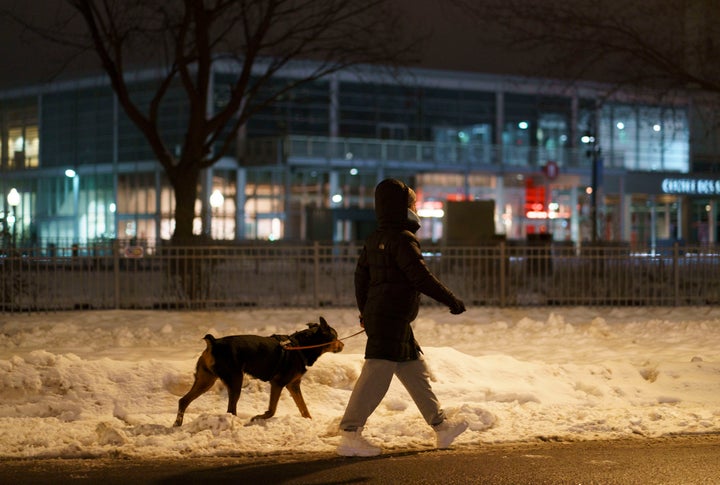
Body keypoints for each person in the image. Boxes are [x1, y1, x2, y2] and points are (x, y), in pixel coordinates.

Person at [337, 178, 468, 457]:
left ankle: (442, 427)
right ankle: (350, 433)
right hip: (391, 317)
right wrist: (451, 300)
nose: (415, 207)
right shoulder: (403, 239)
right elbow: (420, 277)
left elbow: (361, 278)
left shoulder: (375, 238)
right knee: (376, 374)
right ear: (401, 207)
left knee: (414, 370)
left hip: (388, 317)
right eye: (412, 202)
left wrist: (365, 311)